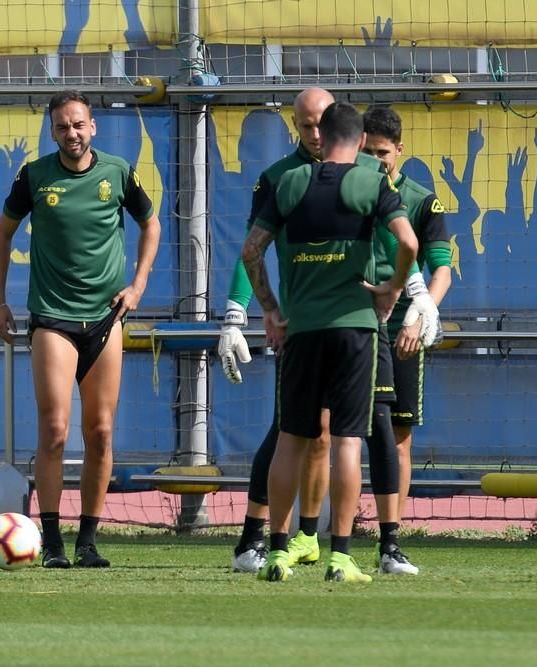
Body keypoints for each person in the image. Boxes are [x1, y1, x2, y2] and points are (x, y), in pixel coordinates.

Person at [242, 102, 418, 583]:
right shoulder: (372, 182)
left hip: (300, 330)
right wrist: (393, 288)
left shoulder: (290, 183)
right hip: (355, 328)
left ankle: (277, 551)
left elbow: (251, 250)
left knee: (291, 440)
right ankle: (340, 555)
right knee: (345, 441)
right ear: (361, 142)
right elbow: (408, 243)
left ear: (321, 134)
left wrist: (271, 310)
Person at [0, 90, 161, 569]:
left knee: (101, 432)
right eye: (63, 127)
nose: (72, 134)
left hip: (106, 319)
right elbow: (1, 233)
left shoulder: (117, 172)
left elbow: (151, 224)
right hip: (53, 317)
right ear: (52, 132)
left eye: (79, 124)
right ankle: (51, 541)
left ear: (94, 127)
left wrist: (137, 285)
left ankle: (87, 541)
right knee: (54, 429)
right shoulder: (35, 176)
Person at [218, 88, 337, 573]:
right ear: (295, 125)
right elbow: (253, 250)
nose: (314, 135)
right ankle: (252, 536)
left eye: (321, 124)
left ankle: (309, 536)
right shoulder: (278, 179)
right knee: (289, 429)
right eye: (305, 126)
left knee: (326, 433)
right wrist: (235, 316)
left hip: (348, 323)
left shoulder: (362, 173)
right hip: (301, 325)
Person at [362, 106, 452, 562]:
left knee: (397, 438)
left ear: (400, 150)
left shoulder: (420, 200)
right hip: (352, 320)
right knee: (324, 432)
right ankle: (310, 533)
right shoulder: (347, 188)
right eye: (369, 150)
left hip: (401, 328)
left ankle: (390, 540)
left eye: (384, 152)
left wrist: (420, 316)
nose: (377, 160)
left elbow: (442, 271)